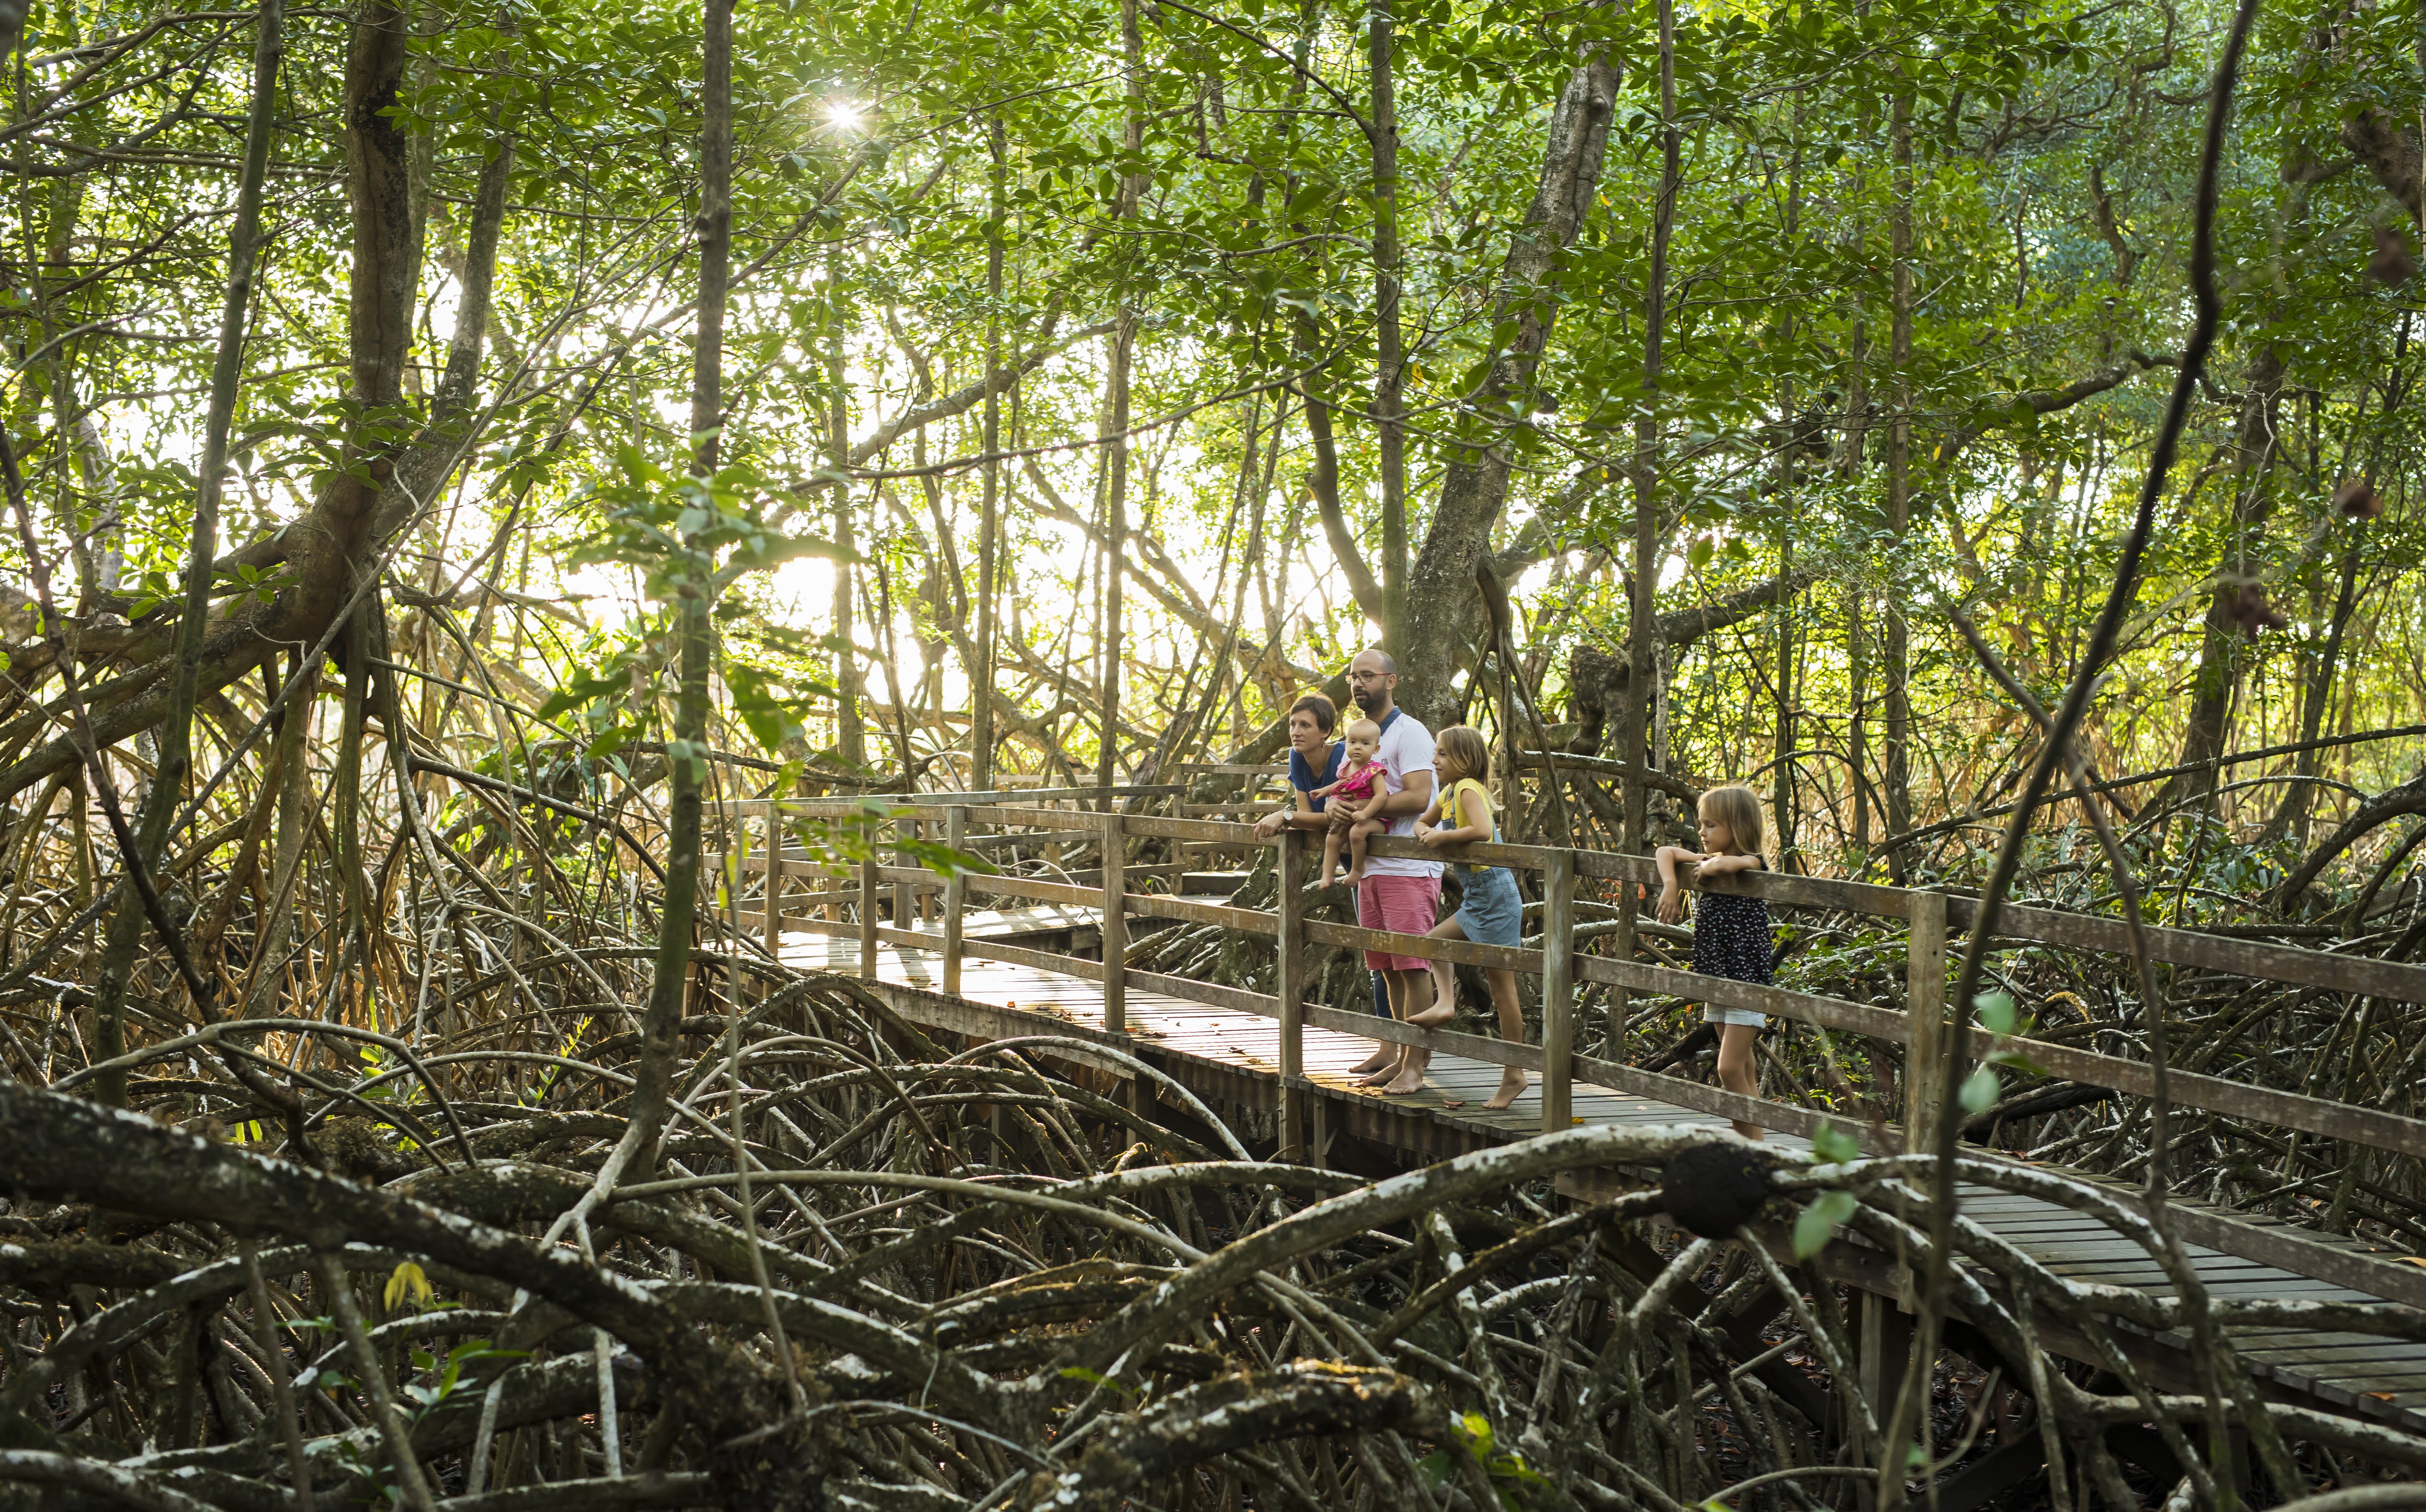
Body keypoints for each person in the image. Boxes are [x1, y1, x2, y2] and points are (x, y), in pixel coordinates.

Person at [1332, 649, 1440, 1095]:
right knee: (1387, 969)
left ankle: (1417, 1064)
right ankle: (1396, 1052)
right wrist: (1337, 804)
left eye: (1368, 676)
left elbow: (1419, 797)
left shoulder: (1410, 733)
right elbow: (1344, 790)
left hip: (1408, 869)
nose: (1359, 684)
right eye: (1353, 677)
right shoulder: (1359, 737)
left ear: (1391, 681)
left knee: (1413, 967)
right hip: (1370, 868)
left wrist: (1362, 807)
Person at [1408, 726, 1529, 1109]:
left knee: (1502, 990)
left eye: (1442, 754)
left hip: (1495, 893)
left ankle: (1515, 1074)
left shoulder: (1466, 789)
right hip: (1478, 894)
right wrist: (1425, 829)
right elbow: (1421, 821)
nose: (1435, 761)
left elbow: (1482, 831)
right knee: (1432, 943)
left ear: (1463, 759)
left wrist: (1442, 839)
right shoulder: (1447, 794)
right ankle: (1446, 1003)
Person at [1254, 692, 1394, 1018]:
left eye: (1306, 725)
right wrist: (1292, 815)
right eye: (1293, 724)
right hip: (1346, 858)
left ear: (1327, 731)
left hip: (1374, 855)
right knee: (1374, 956)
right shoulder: (1297, 757)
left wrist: (1285, 816)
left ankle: (1402, 1042)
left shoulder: (1346, 756)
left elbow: (1330, 815)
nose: (1297, 731)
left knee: (1389, 955)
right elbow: (1313, 816)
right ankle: (1388, 1041)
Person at [1656, 784, 1775, 1139]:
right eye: (1701, 824)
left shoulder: (1753, 865)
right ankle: (1749, 1142)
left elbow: (1739, 862)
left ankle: (1757, 1152)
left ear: (1736, 827)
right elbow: (1665, 851)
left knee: (1728, 1069)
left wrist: (1714, 865)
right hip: (1718, 979)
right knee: (1745, 1067)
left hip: (1745, 982)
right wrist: (1669, 886)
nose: (1701, 833)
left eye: (1710, 826)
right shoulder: (1709, 860)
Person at [1310, 719, 1387, 886]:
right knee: (1332, 838)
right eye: (1353, 742)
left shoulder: (1374, 771)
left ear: (1376, 749)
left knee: (1356, 834)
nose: (1357, 747)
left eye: (1365, 743)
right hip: (1351, 817)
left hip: (1375, 819)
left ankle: (1358, 869)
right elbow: (1341, 784)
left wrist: (1366, 813)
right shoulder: (1346, 767)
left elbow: (1381, 796)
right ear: (1346, 744)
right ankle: (1327, 875)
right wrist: (1325, 791)